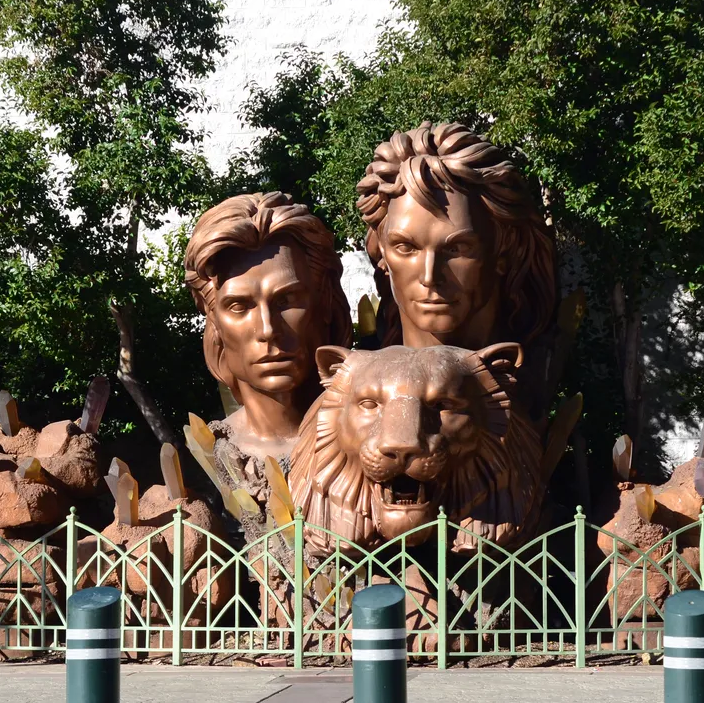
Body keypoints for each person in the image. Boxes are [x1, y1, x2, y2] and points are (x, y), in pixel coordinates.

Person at [355, 122, 556, 352]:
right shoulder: (351, 384)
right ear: (382, 251)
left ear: (505, 246)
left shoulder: (540, 378)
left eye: (457, 248)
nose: (429, 277)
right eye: (406, 247)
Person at [184, 191, 352, 459]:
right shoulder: (208, 454)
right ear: (213, 317)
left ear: (325, 300)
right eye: (239, 306)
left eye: (286, 300)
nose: (267, 330)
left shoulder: (376, 438)